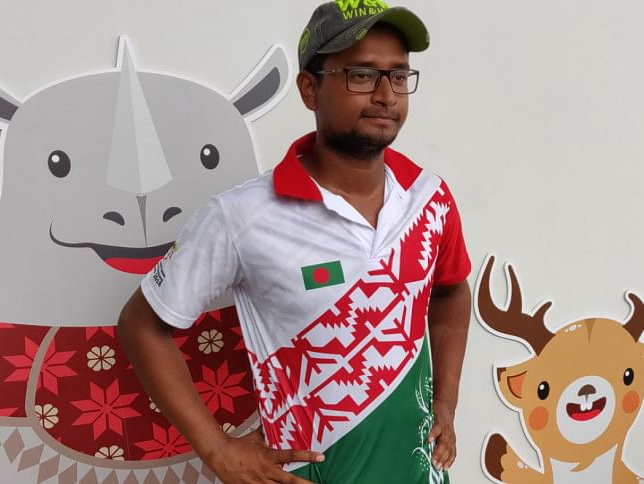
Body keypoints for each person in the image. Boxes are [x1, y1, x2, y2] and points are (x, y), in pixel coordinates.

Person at [117, 2, 472, 483]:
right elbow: (142, 324)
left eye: (398, 75)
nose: (386, 95)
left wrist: (445, 402)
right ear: (310, 89)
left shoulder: (429, 198)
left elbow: (451, 290)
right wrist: (218, 450)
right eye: (362, 75)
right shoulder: (241, 216)